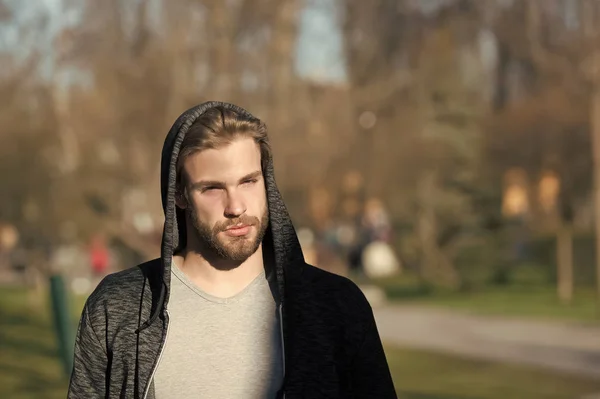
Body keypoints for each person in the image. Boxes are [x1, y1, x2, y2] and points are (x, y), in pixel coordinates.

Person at [68, 102, 396, 399]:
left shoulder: (335, 307)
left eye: (249, 182)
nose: (236, 206)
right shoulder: (120, 307)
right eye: (213, 188)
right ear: (179, 195)